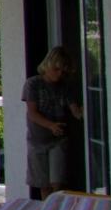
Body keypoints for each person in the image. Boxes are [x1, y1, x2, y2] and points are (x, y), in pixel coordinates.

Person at [22, 47, 83, 200]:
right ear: (47, 65)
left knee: (57, 183)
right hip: (37, 141)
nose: (59, 74)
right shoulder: (33, 84)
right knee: (44, 185)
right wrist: (51, 125)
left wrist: (85, 109)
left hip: (58, 140)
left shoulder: (65, 87)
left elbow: (75, 111)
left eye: (63, 71)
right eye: (56, 69)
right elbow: (32, 113)